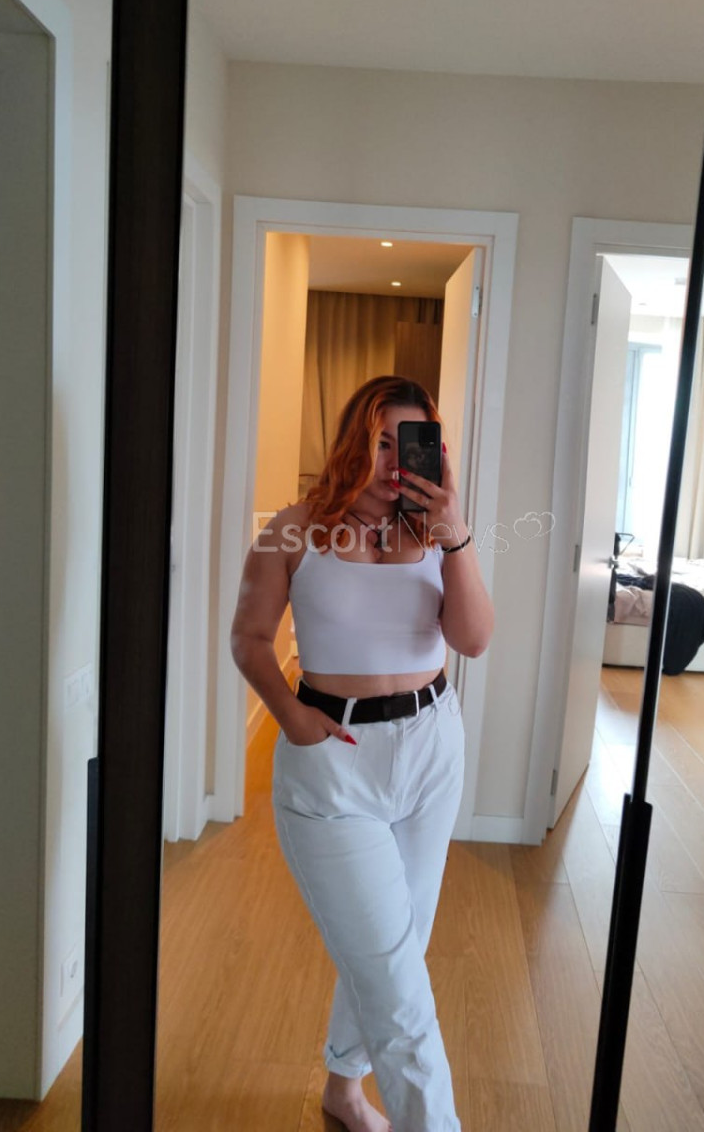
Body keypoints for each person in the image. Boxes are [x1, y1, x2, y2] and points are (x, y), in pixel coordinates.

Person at [230, 375, 493, 1132]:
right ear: (353, 440)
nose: (392, 462)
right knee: (393, 976)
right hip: (333, 762)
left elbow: (473, 639)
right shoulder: (293, 531)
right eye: (380, 442)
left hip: (431, 748)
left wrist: (456, 534)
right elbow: (250, 638)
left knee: (397, 949)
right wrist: (290, 717)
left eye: (409, 445)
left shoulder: (438, 535)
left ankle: (344, 1089)